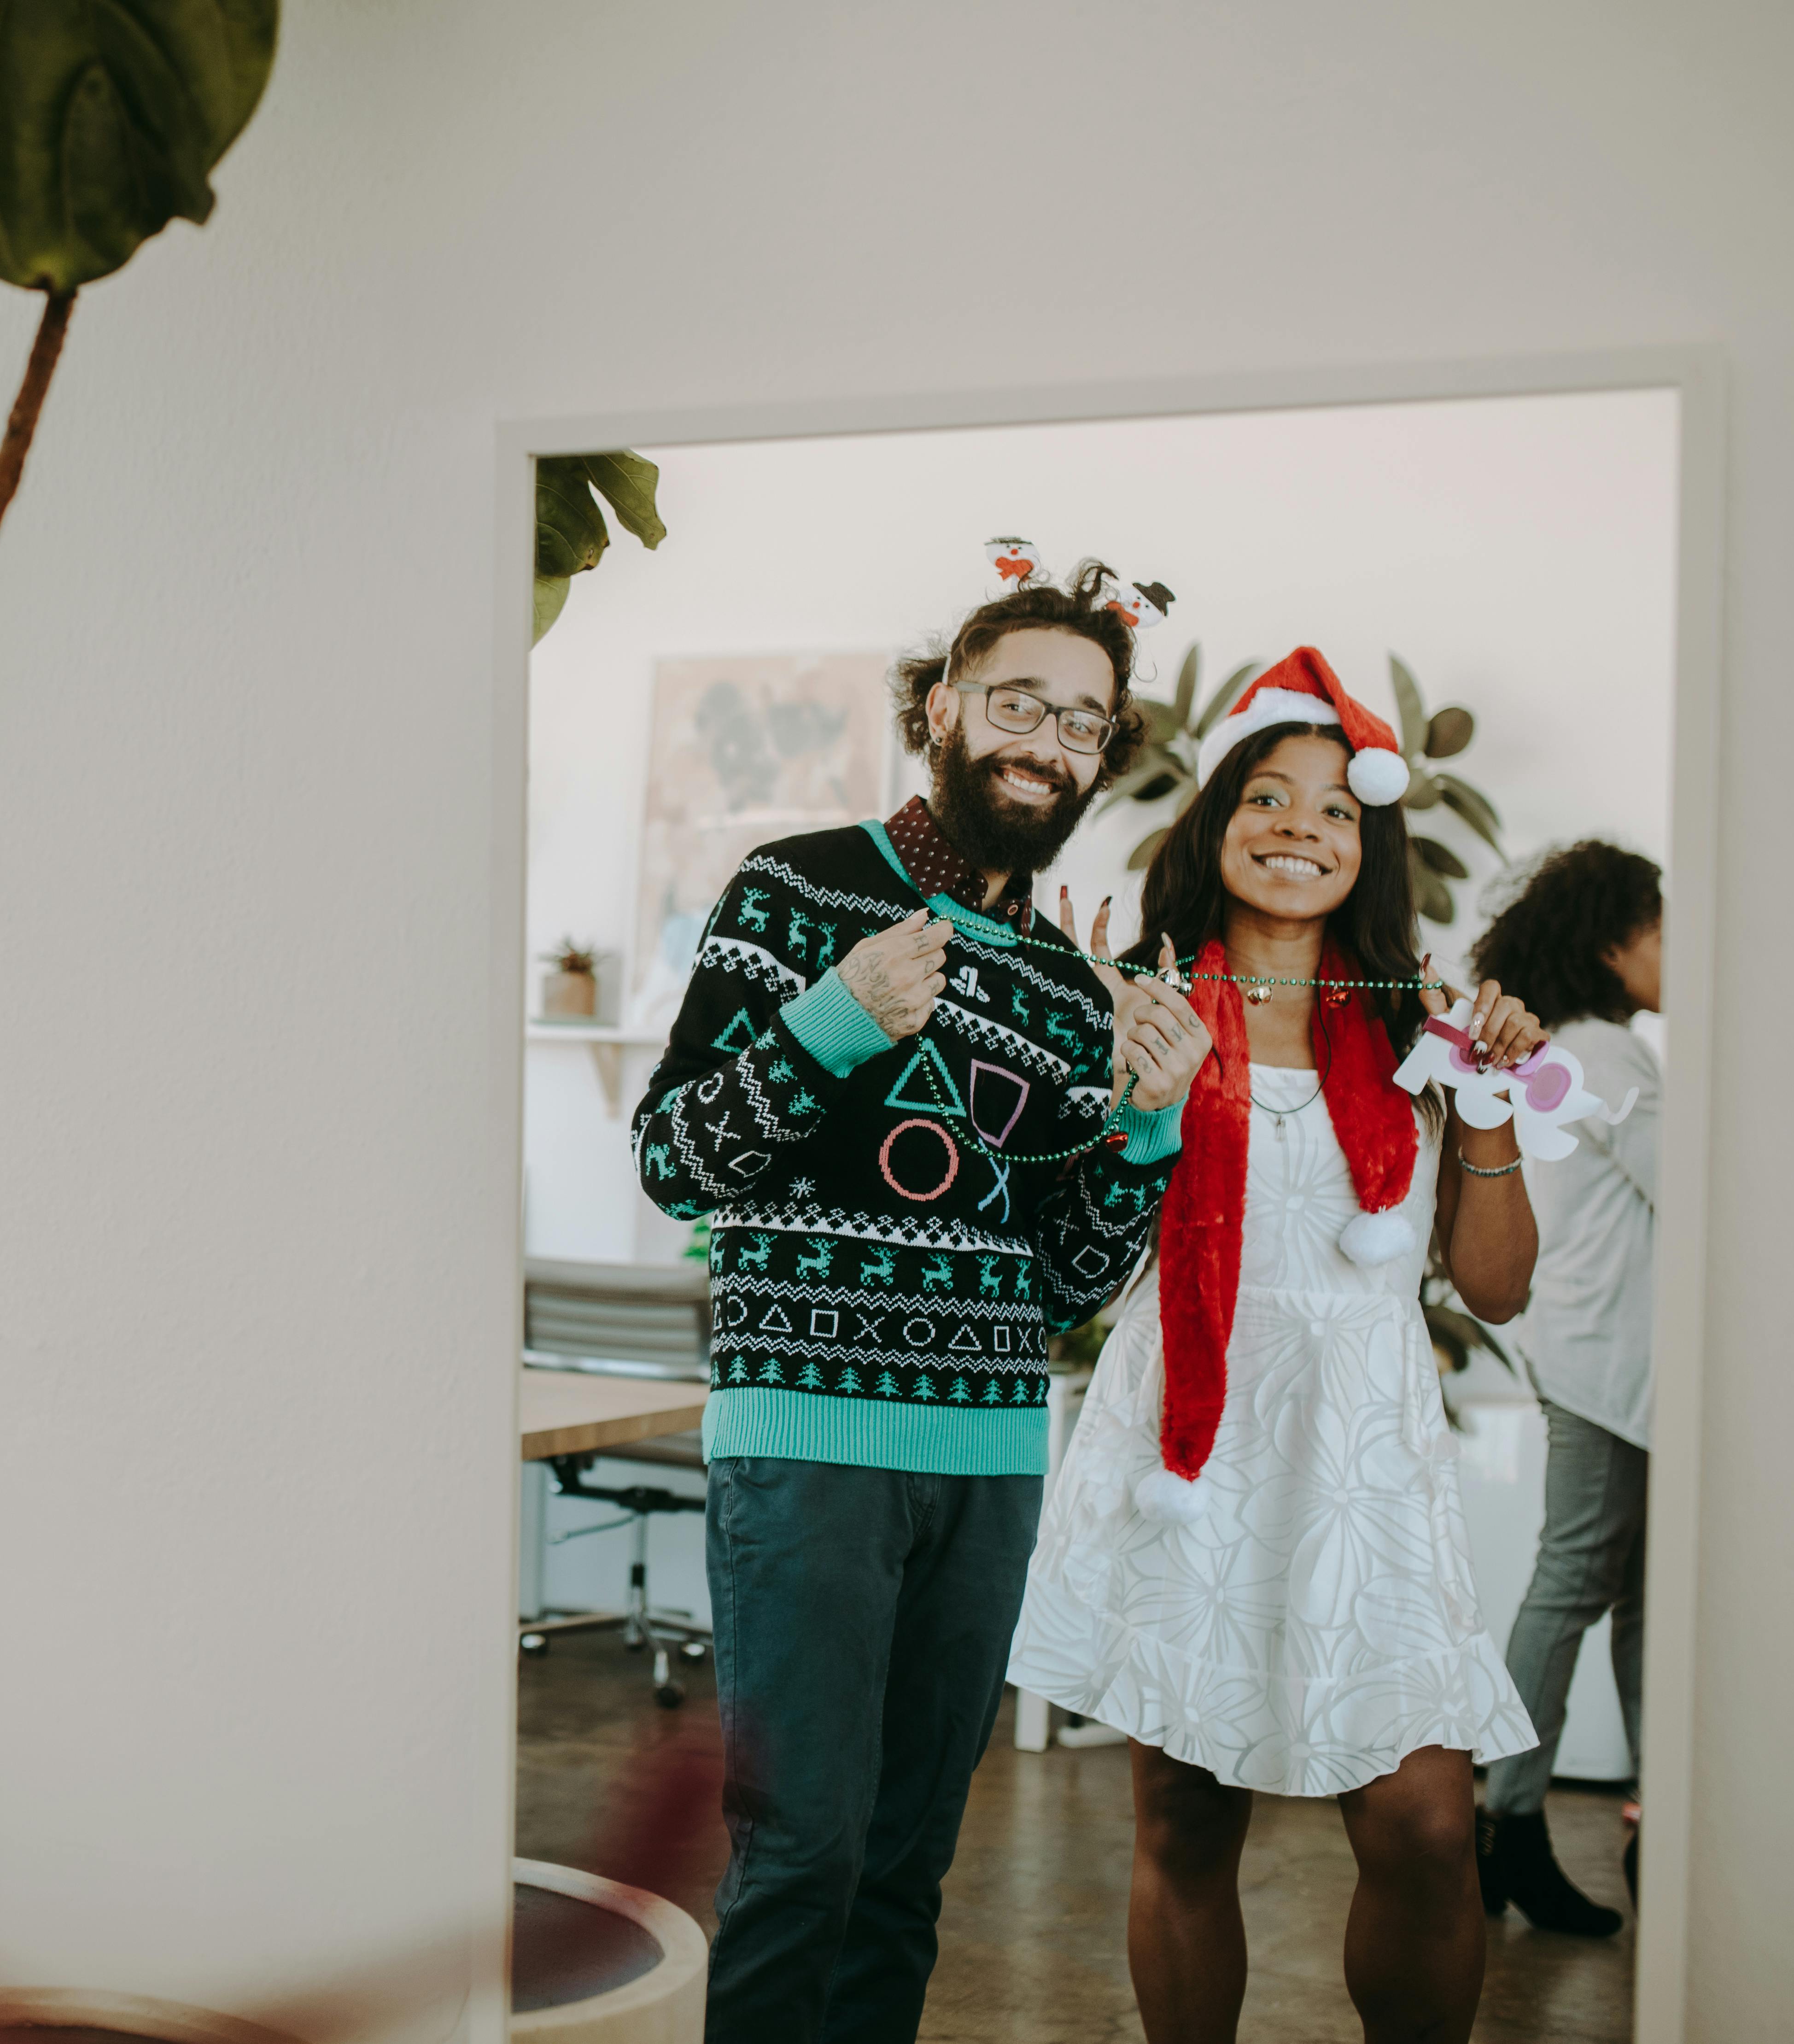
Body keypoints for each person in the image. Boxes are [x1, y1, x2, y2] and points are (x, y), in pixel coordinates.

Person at [633, 554, 1212, 2043]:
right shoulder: (795, 884)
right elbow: (672, 1160)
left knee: (900, 1869)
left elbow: (1065, 1283)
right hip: (806, 1443)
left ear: (1101, 755)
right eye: (1017, 699)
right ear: (944, 705)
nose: (1044, 738)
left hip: (985, 1456)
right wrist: (830, 1020)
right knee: (801, 1853)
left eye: (1080, 721)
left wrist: (1145, 1121)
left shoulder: (1071, 978)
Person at [1006, 648, 1548, 2044]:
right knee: (1186, 1812)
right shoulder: (1132, 1000)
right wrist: (1130, 1099)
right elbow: (1069, 1263)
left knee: (1426, 1816)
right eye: (1267, 794)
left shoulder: (1425, 1032)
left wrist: (1487, 1119)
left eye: (1333, 809)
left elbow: (1496, 1288)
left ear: (1369, 849)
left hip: (1360, 1454)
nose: (1299, 825)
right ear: (1216, 819)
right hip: (1184, 1434)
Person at [1466, 840, 1663, 1934]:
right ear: (1609, 943)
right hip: (1607, 1371)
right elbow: (1697, 1193)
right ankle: (1507, 1821)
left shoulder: (1602, 1050)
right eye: (1661, 927)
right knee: (1578, 1581)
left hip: (1604, 1361)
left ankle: (1637, 1820)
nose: (1678, 950)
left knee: (1625, 1592)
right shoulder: (1608, 1056)